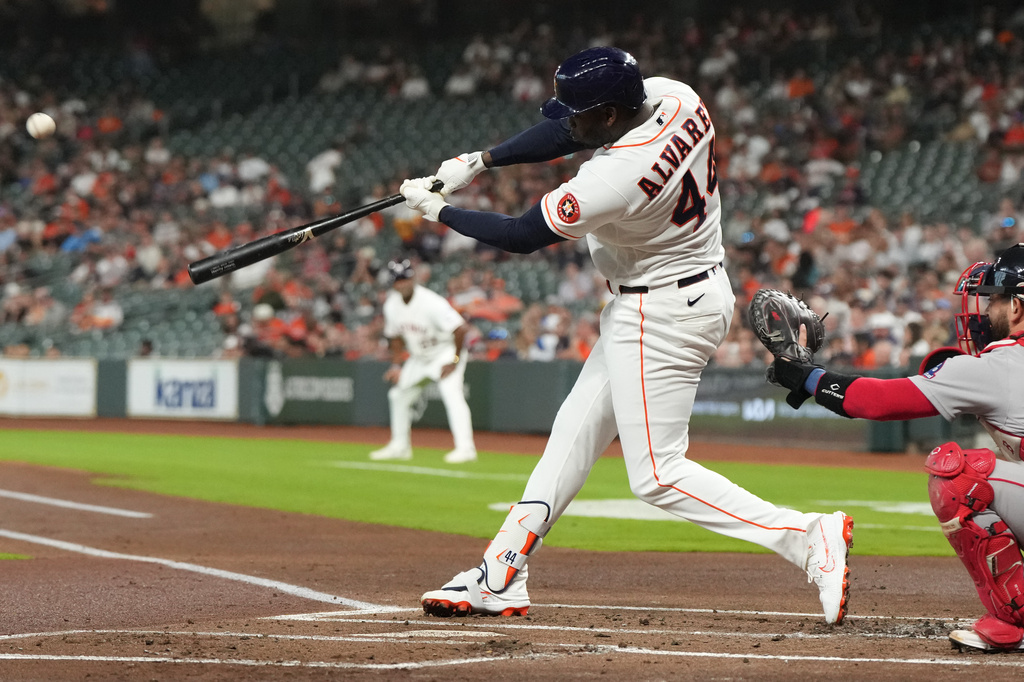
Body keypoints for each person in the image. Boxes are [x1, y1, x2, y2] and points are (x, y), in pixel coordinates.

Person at [399, 47, 853, 623]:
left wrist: (438, 211)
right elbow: (566, 132)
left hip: (660, 311)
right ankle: (501, 572)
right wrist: (482, 160)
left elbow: (519, 234)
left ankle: (808, 537)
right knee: (571, 436)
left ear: (611, 115)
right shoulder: (675, 95)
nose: (568, 120)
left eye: (582, 112)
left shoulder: (615, 176)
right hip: (675, 290)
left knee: (659, 475)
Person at [767, 243, 1024, 652]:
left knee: (959, 475)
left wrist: (809, 377)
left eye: (994, 298)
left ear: (1016, 308)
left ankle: (1016, 618)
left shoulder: (1001, 364)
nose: (984, 309)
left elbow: (877, 402)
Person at [369, 259, 478, 464]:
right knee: (398, 395)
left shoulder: (431, 302)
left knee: (451, 394)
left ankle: (466, 449)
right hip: (419, 357)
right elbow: (395, 338)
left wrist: (454, 361)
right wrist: (395, 365)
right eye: (398, 279)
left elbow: (461, 329)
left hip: (445, 353)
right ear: (393, 283)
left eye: (405, 278)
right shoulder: (392, 304)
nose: (402, 283)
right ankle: (400, 447)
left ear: (413, 278)